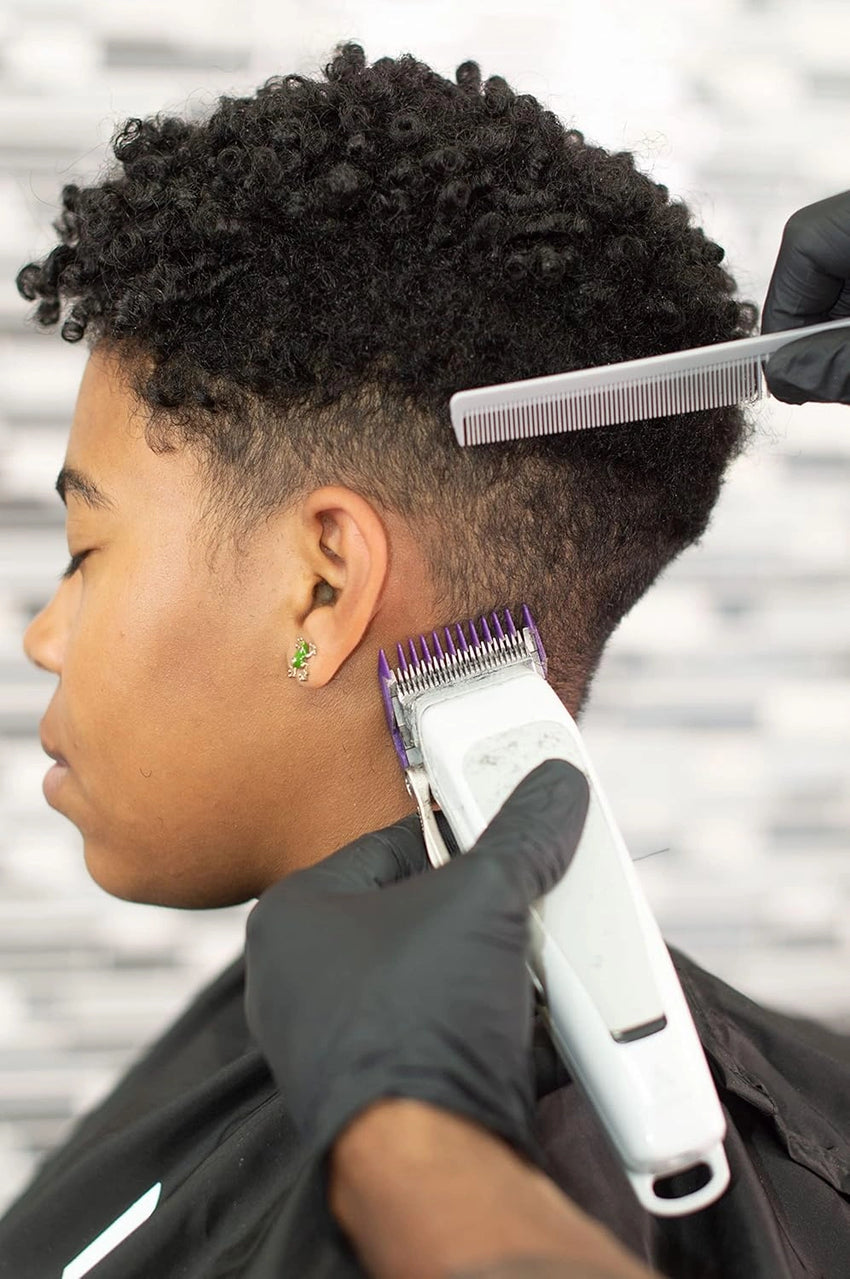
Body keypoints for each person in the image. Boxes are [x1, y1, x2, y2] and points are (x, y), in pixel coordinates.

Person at [2, 40, 849, 1278]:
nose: (42, 636)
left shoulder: (488, 1160)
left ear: (325, 582)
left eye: (87, 549)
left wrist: (399, 1129)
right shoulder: (302, 1019)